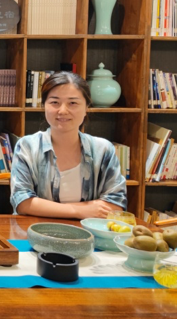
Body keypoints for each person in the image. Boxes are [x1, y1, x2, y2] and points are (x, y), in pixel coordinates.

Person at [10, 72, 127, 219]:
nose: (63, 111)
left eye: (73, 103)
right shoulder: (28, 146)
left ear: (86, 108)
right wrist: (81, 211)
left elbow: (116, 204)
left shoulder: (103, 149)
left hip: (87, 231)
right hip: (37, 230)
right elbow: (22, 202)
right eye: (54, 102)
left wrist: (46, 208)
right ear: (44, 106)